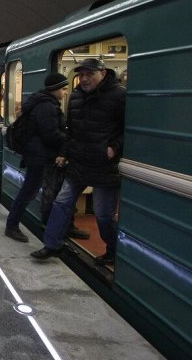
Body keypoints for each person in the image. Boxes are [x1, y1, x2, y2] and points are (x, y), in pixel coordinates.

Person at [31, 58, 126, 264]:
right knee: (61, 203)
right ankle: (51, 245)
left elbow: (128, 129)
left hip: (105, 166)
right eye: (81, 74)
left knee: (103, 215)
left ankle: (113, 250)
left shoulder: (120, 96)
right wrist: (64, 153)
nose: (84, 79)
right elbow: (71, 131)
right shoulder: (75, 96)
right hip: (78, 163)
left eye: (89, 74)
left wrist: (114, 147)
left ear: (103, 73)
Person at [4, 73, 69, 242]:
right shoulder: (47, 106)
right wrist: (67, 139)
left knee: (29, 190)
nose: (65, 92)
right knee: (28, 191)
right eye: (63, 89)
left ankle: (13, 224)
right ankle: (11, 226)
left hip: (36, 154)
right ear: (55, 89)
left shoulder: (41, 102)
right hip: (39, 156)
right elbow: (50, 134)